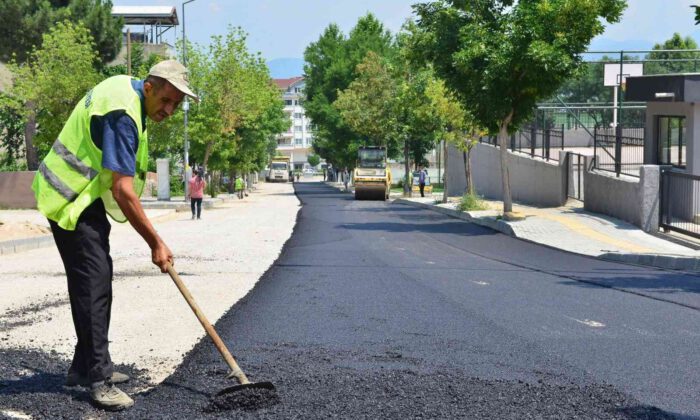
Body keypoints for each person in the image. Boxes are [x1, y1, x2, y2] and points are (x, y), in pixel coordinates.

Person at [31, 60, 198, 411]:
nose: (168, 110)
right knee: (92, 283)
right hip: (69, 198)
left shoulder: (127, 90)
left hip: (85, 197)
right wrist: (156, 243)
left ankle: (84, 366)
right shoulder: (123, 114)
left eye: (176, 104)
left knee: (99, 279)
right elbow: (123, 190)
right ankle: (97, 378)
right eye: (166, 100)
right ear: (149, 87)